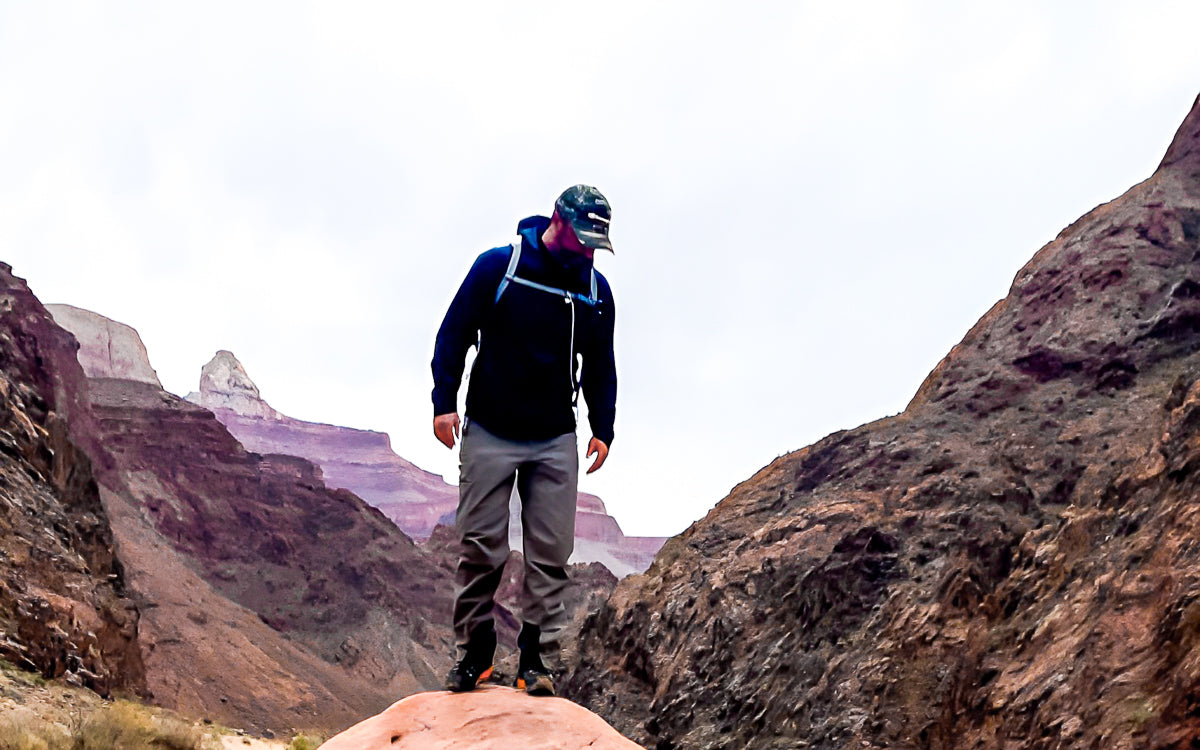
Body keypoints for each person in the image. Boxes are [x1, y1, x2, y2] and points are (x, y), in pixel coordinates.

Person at [430, 185, 617, 696]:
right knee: (480, 547)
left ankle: (535, 659)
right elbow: (454, 333)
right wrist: (443, 400)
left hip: (555, 437)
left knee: (550, 552)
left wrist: (604, 426)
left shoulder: (596, 293)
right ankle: (476, 653)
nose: (587, 251)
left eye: (594, 244)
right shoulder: (499, 267)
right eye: (582, 239)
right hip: (489, 429)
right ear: (558, 220)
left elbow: (601, 364)